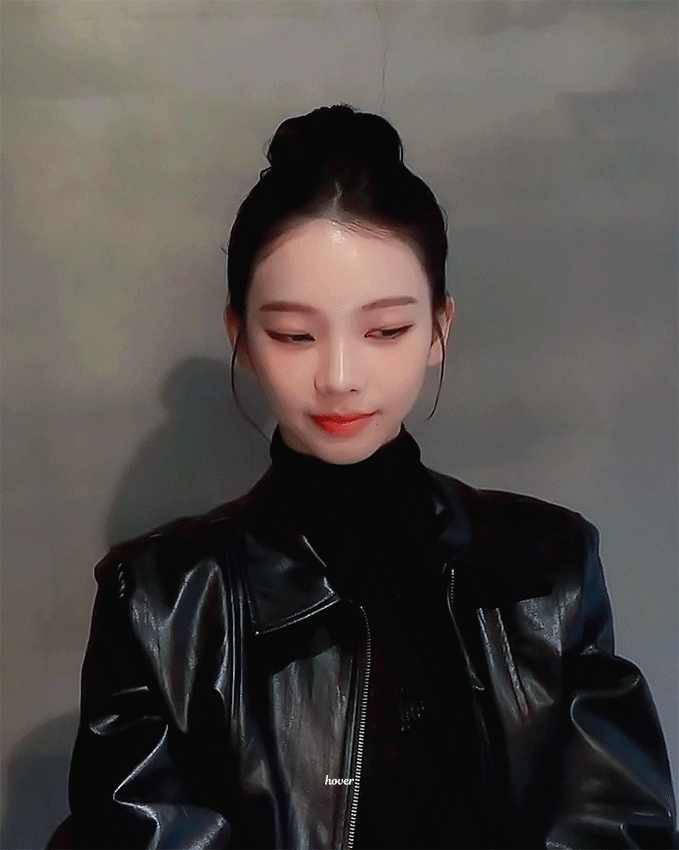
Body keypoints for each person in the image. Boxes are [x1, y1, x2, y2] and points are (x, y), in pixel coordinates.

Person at [52, 104, 677, 850]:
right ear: (240, 337)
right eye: (294, 334)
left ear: (439, 329)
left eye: (386, 330)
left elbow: (620, 826)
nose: (340, 376)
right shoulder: (159, 603)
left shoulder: (551, 569)